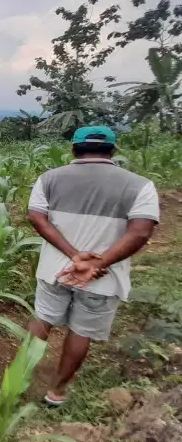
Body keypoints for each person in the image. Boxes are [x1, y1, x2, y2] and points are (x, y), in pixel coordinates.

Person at [26, 125, 159, 406]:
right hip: (103, 277)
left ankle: (18, 379)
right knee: (82, 331)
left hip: (56, 270)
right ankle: (57, 392)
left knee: (42, 319)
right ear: (113, 150)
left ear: (74, 149)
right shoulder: (140, 185)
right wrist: (98, 263)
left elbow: (37, 218)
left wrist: (73, 256)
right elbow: (141, 232)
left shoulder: (48, 179)